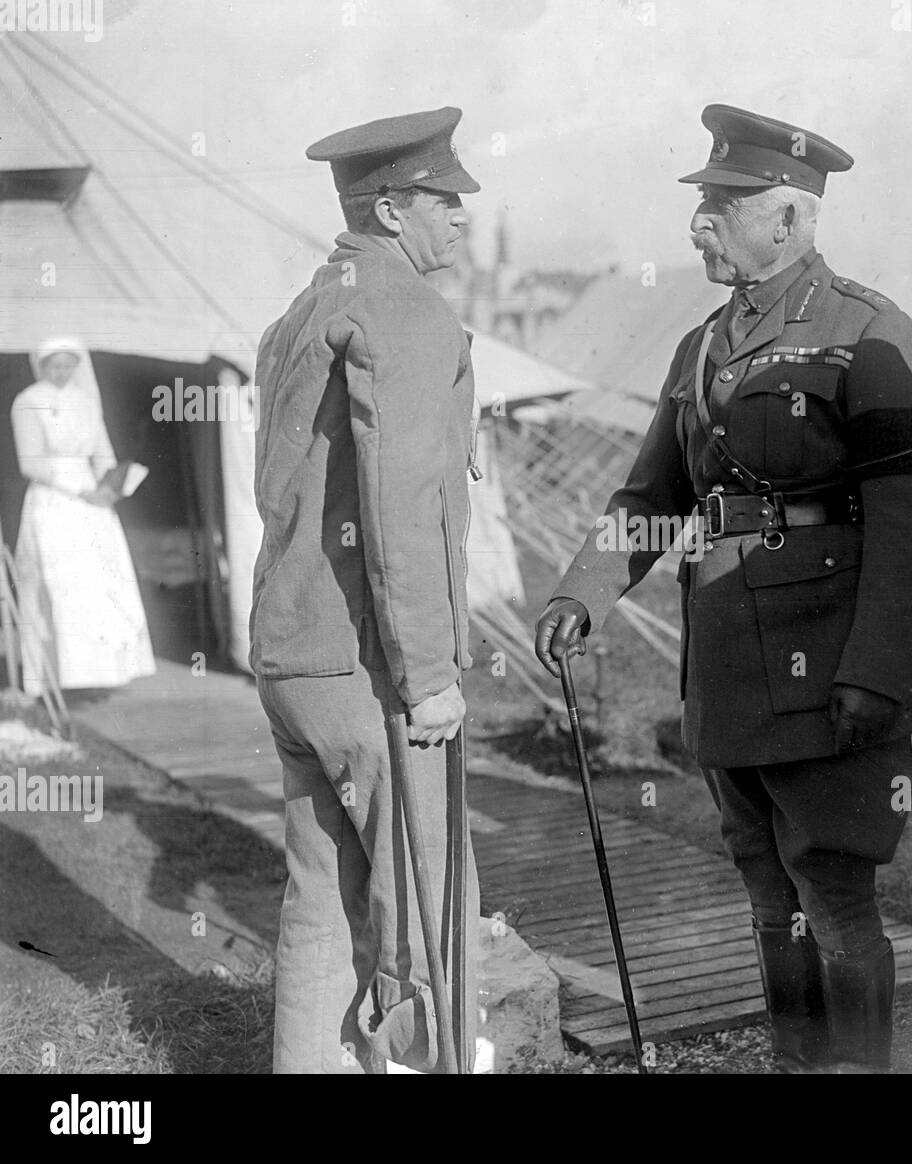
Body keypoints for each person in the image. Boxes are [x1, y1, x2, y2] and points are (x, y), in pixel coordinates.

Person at [534, 104, 912, 1073]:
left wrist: (876, 673)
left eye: (719, 205)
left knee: (836, 901)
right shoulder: (700, 348)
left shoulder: (868, 331)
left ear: (790, 219)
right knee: (768, 895)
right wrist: (580, 596)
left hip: (830, 667)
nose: (696, 226)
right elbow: (651, 493)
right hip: (725, 666)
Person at [250, 108, 480, 1074]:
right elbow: (401, 507)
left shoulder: (302, 309)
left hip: (294, 654)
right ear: (390, 209)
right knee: (427, 919)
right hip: (371, 667)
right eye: (445, 201)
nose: (464, 218)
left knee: (319, 906)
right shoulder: (407, 312)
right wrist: (428, 674)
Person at [11, 336, 154, 694]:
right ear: (41, 366)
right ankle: (50, 678)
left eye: (68, 365)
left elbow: (103, 453)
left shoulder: (86, 402)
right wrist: (79, 490)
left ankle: (98, 674)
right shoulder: (28, 402)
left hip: (94, 505)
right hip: (54, 502)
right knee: (60, 583)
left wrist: (112, 486)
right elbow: (31, 462)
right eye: (53, 366)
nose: (61, 372)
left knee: (99, 584)